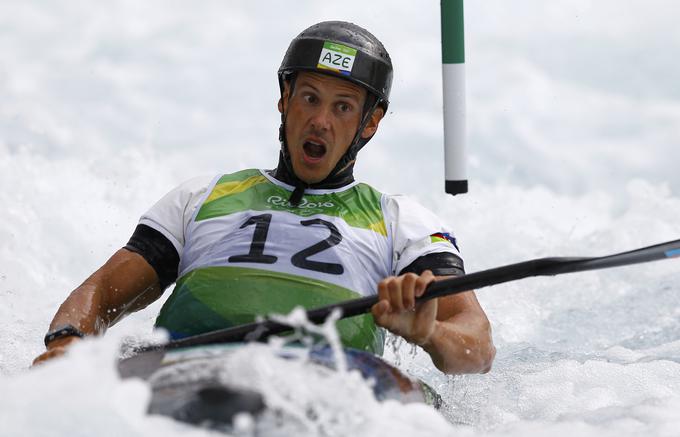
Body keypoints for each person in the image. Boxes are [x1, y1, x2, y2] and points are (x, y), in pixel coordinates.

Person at [33, 21, 495, 374]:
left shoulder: (402, 221)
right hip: (186, 375)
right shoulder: (202, 196)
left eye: (343, 107)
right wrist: (66, 341)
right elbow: (102, 291)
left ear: (369, 124)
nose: (320, 122)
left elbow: (478, 347)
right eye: (309, 98)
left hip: (331, 388)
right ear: (284, 99)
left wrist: (429, 333)